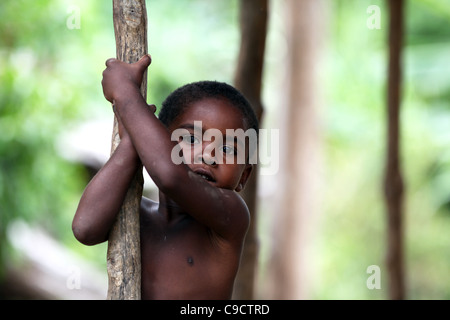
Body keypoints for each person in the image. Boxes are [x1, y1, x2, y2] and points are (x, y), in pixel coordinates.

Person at [72, 54, 259, 300]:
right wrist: (131, 144)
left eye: (227, 149)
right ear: (157, 142)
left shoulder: (231, 216)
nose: (209, 156)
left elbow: (171, 176)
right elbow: (85, 229)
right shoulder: (135, 213)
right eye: (191, 139)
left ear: (243, 176)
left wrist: (126, 94)